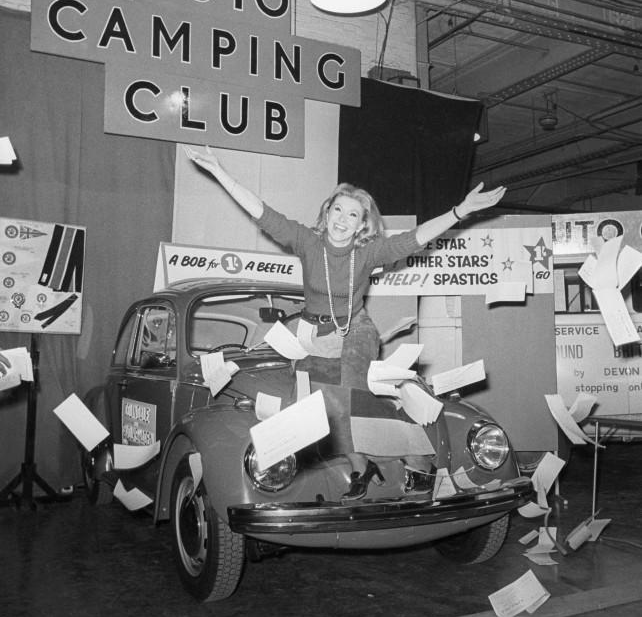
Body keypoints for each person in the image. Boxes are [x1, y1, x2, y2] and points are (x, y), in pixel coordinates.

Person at [191, 146, 505, 497]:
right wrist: (219, 172)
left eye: (352, 215)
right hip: (313, 331)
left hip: (355, 329)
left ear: (362, 225)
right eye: (337, 210)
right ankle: (361, 467)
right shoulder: (307, 242)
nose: (342, 219)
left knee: (350, 385)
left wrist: (460, 211)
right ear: (326, 215)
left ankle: (417, 462)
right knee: (311, 403)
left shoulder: (367, 253)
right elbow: (261, 211)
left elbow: (413, 240)